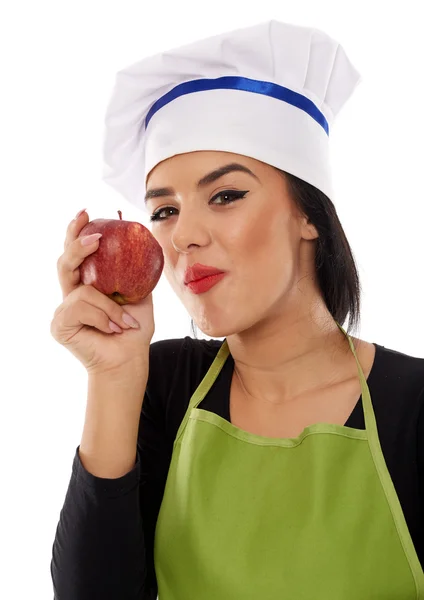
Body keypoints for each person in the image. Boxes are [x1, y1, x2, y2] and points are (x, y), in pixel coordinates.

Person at [50, 19, 424, 600]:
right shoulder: (160, 386)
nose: (183, 237)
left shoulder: (415, 406)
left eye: (225, 196)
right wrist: (114, 375)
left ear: (309, 215)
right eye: (165, 211)